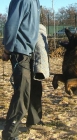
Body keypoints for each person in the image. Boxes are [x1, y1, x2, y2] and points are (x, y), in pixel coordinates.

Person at [1, 0, 41, 139]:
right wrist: (7, 48)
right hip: (19, 52)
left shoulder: (35, 2)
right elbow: (11, 25)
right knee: (22, 95)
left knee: (25, 93)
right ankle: (10, 134)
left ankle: (13, 130)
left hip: (28, 52)